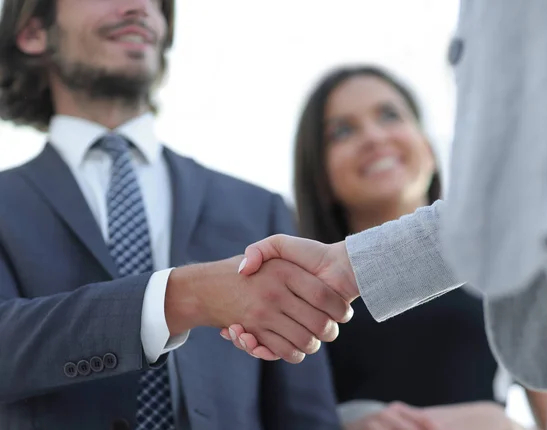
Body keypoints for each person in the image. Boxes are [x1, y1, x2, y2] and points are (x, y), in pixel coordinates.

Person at [223, 2, 547, 429]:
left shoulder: (506, 259)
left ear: (427, 145)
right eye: (342, 131)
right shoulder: (294, 294)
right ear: (319, 173)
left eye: (390, 115)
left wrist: (493, 423)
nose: (374, 137)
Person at [0, 1, 351, 429]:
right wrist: (181, 297)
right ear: (33, 31)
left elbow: (305, 414)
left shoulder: (258, 208)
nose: (140, 8)